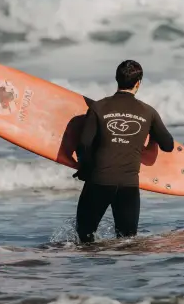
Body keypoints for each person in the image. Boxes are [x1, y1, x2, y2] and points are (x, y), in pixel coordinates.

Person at [73, 59, 175, 243]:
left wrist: (84, 169)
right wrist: (151, 136)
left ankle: (87, 272)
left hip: (99, 181)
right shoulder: (148, 112)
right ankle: (122, 273)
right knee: (127, 242)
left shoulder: (98, 107)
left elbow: (83, 146)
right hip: (129, 186)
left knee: (84, 239)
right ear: (138, 83)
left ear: (116, 79)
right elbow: (168, 145)